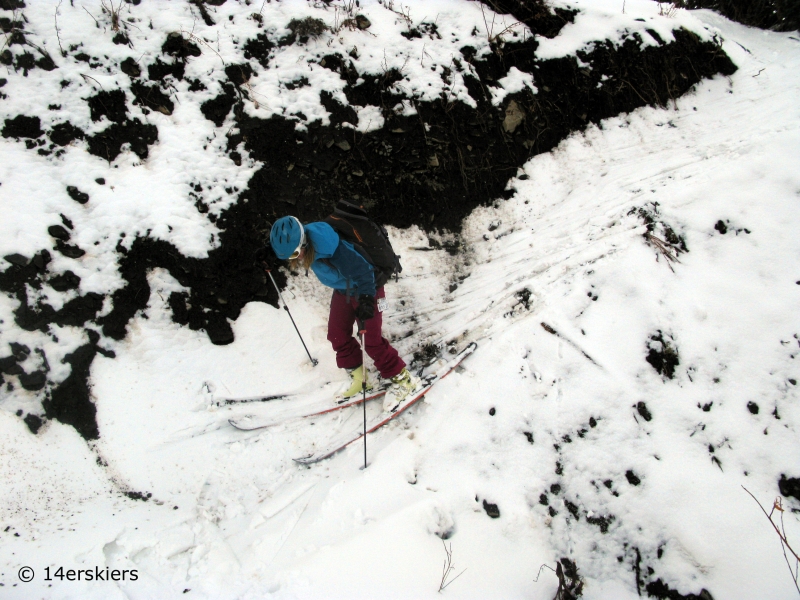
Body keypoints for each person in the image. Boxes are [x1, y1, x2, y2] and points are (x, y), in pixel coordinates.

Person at [269, 215, 419, 411]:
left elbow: (363, 271)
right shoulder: (300, 242)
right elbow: (286, 245)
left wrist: (366, 299)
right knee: (337, 335)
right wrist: (268, 253)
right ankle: (360, 378)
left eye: (295, 253)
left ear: (304, 242)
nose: (295, 258)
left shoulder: (333, 248)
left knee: (370, 340)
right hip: (343, 289)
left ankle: (404, 381)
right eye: (288, 256)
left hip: (368, 288)